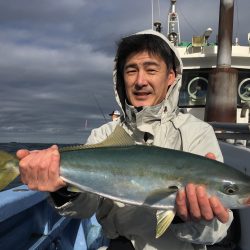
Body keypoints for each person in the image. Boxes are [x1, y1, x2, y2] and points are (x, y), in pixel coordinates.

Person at [17, 30, 233, 250]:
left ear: (170, 76)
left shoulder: (197, 132)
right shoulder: (103, 135)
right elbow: (85, 207)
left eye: (151, 70)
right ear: (121, 77)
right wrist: (60, 188)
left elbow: (217, 231)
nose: (140, 81)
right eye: (131, 70)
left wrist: (184, 217)